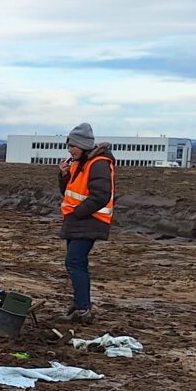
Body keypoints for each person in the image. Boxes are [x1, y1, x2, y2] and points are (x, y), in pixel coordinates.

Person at [57, 123, 115, 323]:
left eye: (72, 146)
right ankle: (80, 306)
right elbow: (69, 191)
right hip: (78, 221)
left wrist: (78, 213)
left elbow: (101, 195)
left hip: (90, 221)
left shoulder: (98, 163)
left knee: (74, 262)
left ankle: (82, 308)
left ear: (83, 145)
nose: (69, 150)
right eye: (69, 145)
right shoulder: (79, 163)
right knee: (76, 263)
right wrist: (63, 175)